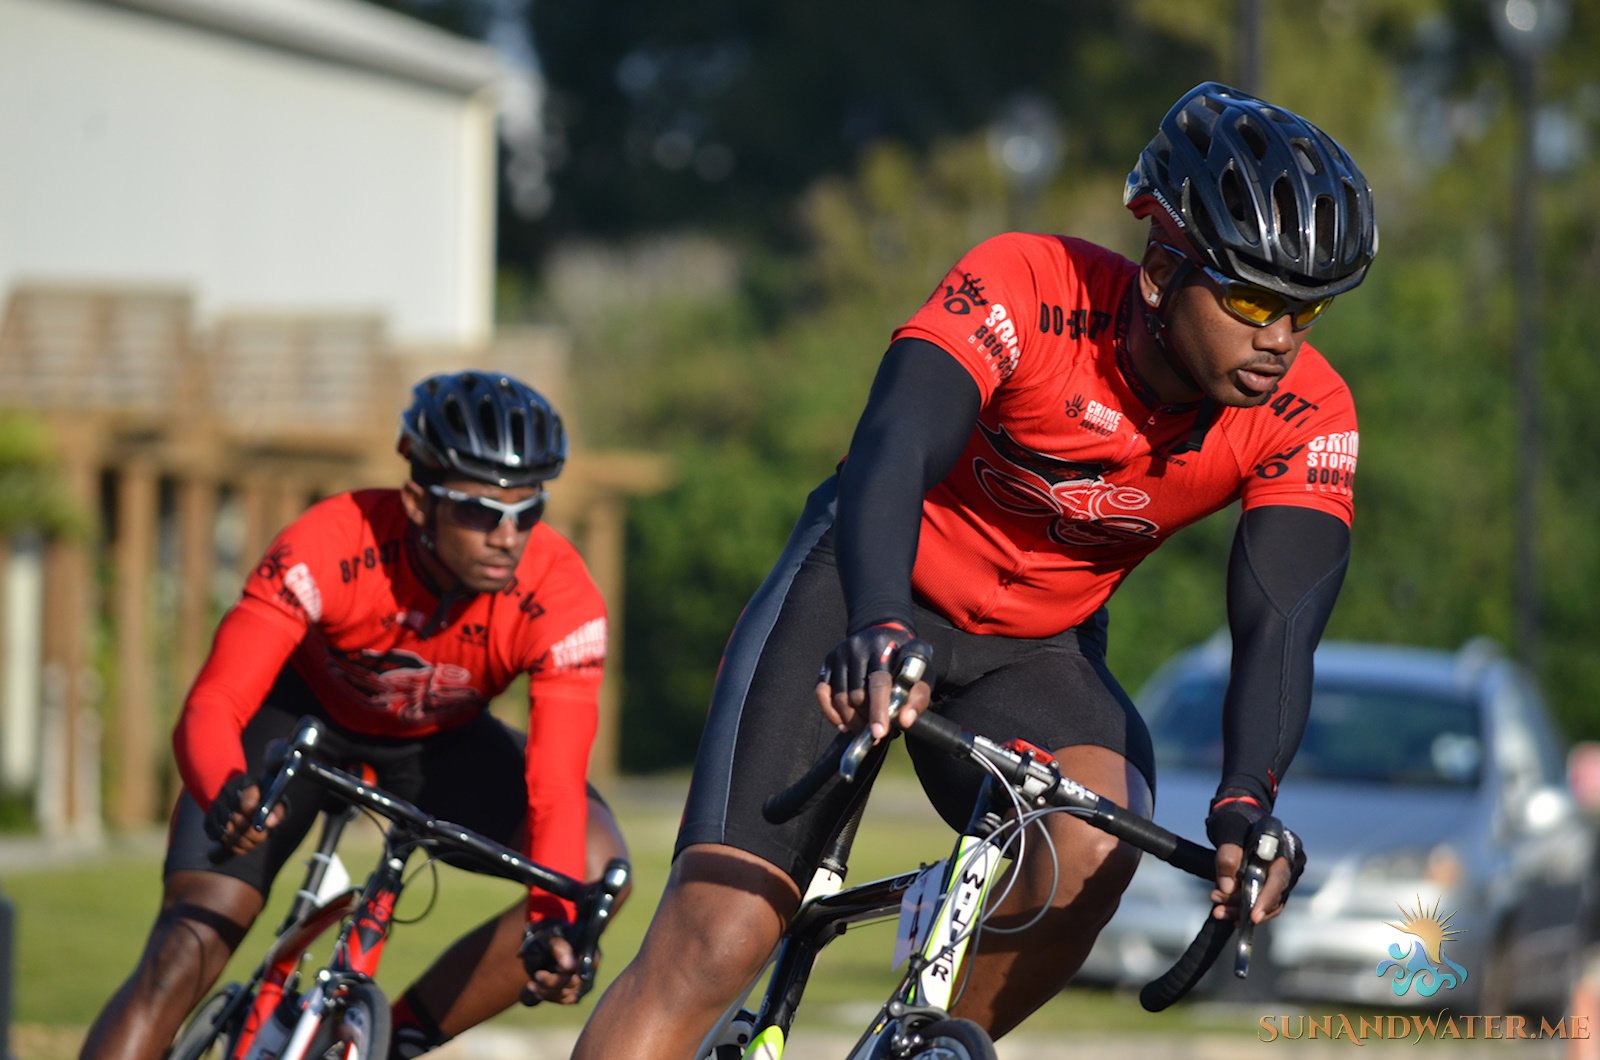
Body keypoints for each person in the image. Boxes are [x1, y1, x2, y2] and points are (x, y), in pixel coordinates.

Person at [573, 80, 1377, 1056]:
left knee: (1095, 835)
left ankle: (929, 1045)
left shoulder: (1305, 410)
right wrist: (875, 620)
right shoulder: (1028, 286)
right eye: (1253, 297)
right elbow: (893, 449)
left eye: (1308, 309)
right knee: (719, 933)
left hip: (1034, 648)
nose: (1280, 338)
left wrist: (1248, 799)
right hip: (866, 591)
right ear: (1163, 268)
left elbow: (1281, 619)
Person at [82, 370, 629, 1060]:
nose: (508, 536)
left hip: (438, 745)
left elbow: (554, 784)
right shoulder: (333, 542)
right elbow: (215, 701)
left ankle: (391, 1040)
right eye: (480, 511)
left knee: (593, 867)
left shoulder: (560, 596)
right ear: (419, 501)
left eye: (529, 511)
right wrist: (224, 787)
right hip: (296, 721)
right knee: (186, 949)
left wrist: (553, 920)